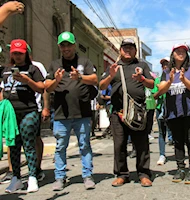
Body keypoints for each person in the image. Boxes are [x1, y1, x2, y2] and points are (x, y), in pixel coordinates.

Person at [45, 31, 98, 191]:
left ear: (74, 45)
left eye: (69, 45)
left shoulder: (85, 61)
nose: (66, 48)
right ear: (60, 47)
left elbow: (95, 80)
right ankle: (60, 177)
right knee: (60, 147)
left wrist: (80, 78)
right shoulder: (55, 64)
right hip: (61, 114)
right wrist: (57, 80)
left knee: (85, 145)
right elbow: (47, 87)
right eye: (63, 45)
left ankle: (87, 175)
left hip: (82, 113)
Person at [99, 38, 154, 187]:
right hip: (118, 113)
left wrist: (141, 78)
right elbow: (101, 85)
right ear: (120, 50)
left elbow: (152, 84)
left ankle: (143, 174)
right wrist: (110, 75)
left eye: (130, 48)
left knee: (141, 144)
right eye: (125, 48)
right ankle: (121, 174)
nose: (127, 50)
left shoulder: (141, 65)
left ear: (135, 50)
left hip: (137, 112)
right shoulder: (114, 67)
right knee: (119, 145)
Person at [0, 44, 50, 184]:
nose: (18, 56)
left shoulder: (33, 69)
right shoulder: (5, 70)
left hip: (29, 110)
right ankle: (15, 176)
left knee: (29, 142)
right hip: (11, 113)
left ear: (26, 53)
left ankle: (33, 175)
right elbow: (2, 90)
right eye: (15, 53)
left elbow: (42, 88)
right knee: (13, 144)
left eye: (20, 53)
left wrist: (27, 80)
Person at [156, 44, 190, 184]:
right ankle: (180, 168)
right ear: (173, 54)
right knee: (178, 141)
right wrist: (170, 80)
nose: (181, 53)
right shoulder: (167, 71)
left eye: (183, 51)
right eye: (178, 51)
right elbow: (161, 89)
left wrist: (183, 80)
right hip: (173, 112)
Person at [154, 56, 173, 165]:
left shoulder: (174, 77)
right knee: (162, 133)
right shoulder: (158, 79)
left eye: (166, 64)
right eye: (162, 65)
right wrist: (161, 89)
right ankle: (162, 154)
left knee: (175, 132)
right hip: (160, 108)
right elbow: (155, 95)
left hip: (172, 109)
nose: (164, 66)